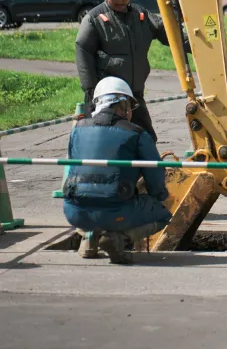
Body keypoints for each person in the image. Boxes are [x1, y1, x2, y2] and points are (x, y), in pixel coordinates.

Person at [62, 77, 171, 264]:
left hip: (74, 212)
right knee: (163, 214)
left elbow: (75, 167)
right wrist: (159, 196)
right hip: (116, 212)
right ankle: (119, 239)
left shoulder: (78, 129)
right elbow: (155, 177)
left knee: (91, 192)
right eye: (128, 104)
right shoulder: (136, 134)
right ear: (121, 104)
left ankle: (89, 238)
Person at [75, 0, 172, 143]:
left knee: (146, 139)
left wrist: (199, 44)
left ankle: (146, 171)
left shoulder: (141, 15)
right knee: (107, 143)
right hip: (106, 99)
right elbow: (83, 50)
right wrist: (90, 91)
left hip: (134, 96)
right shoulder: (94, 20)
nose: (121, 4)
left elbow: (170, 34)